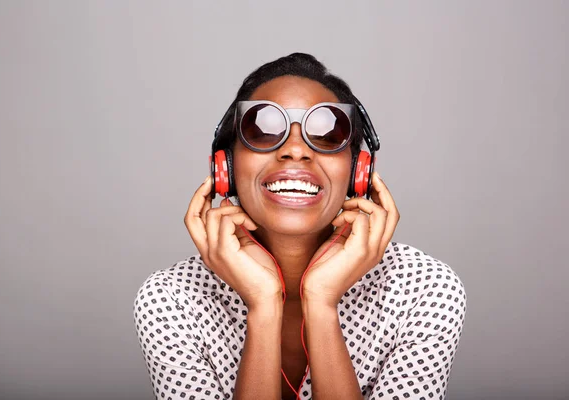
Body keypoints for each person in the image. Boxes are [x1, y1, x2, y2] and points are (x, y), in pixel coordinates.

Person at [133, 53, 466, 400]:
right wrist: (263, 308)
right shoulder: (170, 300)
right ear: (225, 168)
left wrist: (321, 304)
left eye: (326, 132)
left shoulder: (425, 291)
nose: (295, 151)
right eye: (261, 130)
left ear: (358, 172)